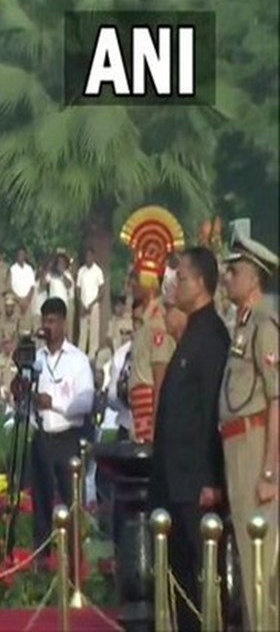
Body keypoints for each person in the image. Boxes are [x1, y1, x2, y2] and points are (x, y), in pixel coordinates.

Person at [151, 246, 230, 632]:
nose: (175, 284)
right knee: (177, 575)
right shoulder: (191, 333)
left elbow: (212, 413)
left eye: (181, 277)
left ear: (200, 283)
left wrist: (212, 479)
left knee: (203, 574)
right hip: (174, 479)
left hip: (195, 482)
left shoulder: (211, 334)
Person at [219, 233, 279, 630]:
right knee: (245, 554)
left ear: (254, 278)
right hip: (236, 445)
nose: (227, 277)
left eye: (234, 271)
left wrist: (270, 471)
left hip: (255, 445)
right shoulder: (241, 326)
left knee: (260, 560)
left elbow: (277, 398)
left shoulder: (264, 324)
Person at [29, 297, 95, 557]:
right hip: (43, 436)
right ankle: (42, 560)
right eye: (45, 321)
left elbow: (85, 401)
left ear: (64, 324)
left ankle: (74, 564)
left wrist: (53, 402)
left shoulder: (77, 360)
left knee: (71, 503)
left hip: (68, 437)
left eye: (53, 321)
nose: (48, 327)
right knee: (42, 503)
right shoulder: (36, 359)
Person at [120, 207, 184, 444]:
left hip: (149, 408)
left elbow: (161, 379)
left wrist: (156, 426)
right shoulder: (144, 321)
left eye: (135, 279)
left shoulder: (158, 323)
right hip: (138, 408)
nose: (130, 285)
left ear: (148, 282)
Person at [76, 248, 105, 358]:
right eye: (87, 256)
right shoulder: (81, 271)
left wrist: (92, 303)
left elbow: (101, 290)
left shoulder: (98, 271)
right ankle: (81, 352)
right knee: (83, 330)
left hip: (94, 304)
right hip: (83, 304)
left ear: (93, 257)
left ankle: (92, 353)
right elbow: (78, 288)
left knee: (94, 331)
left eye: (90, 256)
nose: (88, 258)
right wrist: (81, 303)